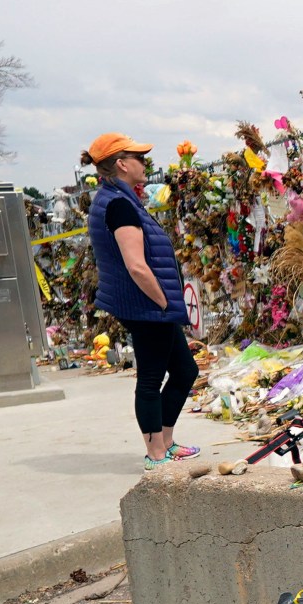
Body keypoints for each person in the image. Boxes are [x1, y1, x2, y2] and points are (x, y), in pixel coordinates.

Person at [84, 132, 200, 469]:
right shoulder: (119, 205)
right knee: (151, 377)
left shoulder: (121, 199)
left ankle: (165, 441)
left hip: (150, 305)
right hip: (146, 306)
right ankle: (156, 455)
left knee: (184, 370)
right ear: (121, 164)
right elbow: (136, 265)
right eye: (139, 158)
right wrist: (164, 303)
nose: (145, 163)